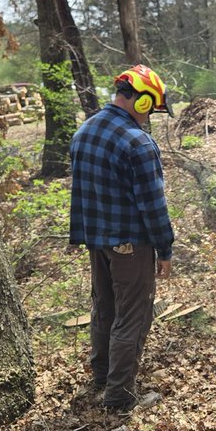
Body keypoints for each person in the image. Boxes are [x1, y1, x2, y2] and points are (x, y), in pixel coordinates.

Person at [70, 64, 174, 412]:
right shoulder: (138, 142)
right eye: (151, 109)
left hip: (97, 240)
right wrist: (165, 247)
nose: (149, 118)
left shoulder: (84, 131)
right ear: (142, 101)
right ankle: (119, 396)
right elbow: (154, 204)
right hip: (132, 242)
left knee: (104, 307)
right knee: (132, 314)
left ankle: (102, 376)